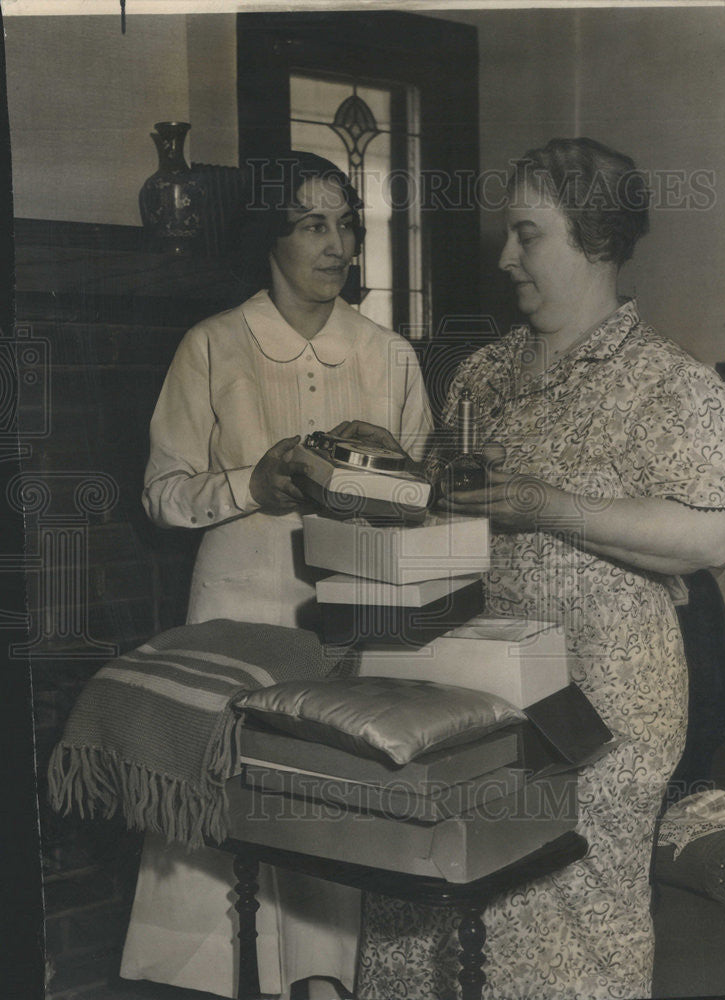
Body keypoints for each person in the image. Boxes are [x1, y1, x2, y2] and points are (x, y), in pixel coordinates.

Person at [354, 137, 725, 999]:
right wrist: (378, 477)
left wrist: (548, 506)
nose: (505, 258)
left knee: (552, 917)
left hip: (603, 700)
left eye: (526, 235)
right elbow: (445, 506)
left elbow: (711, 537)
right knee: (410, 897)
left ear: (595, 241)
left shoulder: (673, 387)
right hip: (473, 677)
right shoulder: (481, 374)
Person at [120, 153, 433, 1000]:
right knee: (225, 819)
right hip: (234, 615)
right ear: (272, 237)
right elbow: (160, 495)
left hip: (343, 621)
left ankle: (326, 983)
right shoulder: (213, 345)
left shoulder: (387, 354)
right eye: (312, 224)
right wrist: (250, 485)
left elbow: (424, 503)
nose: (336, 246)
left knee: (331, 808)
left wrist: (378, 482)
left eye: (346, 227)